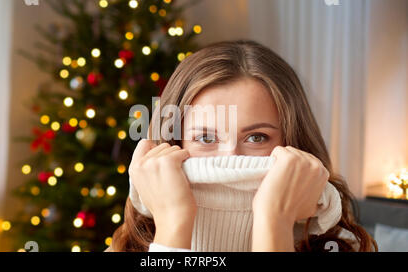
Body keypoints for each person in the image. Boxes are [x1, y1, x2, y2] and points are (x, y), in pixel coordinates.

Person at [106, 40, 377, 252]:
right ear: (172, 144)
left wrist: (275, 220)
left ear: (293, 145)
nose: (230, 157)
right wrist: (173, 222)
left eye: (256, 137)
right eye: (206, 138)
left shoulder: (341, 246)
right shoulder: (124, 247)